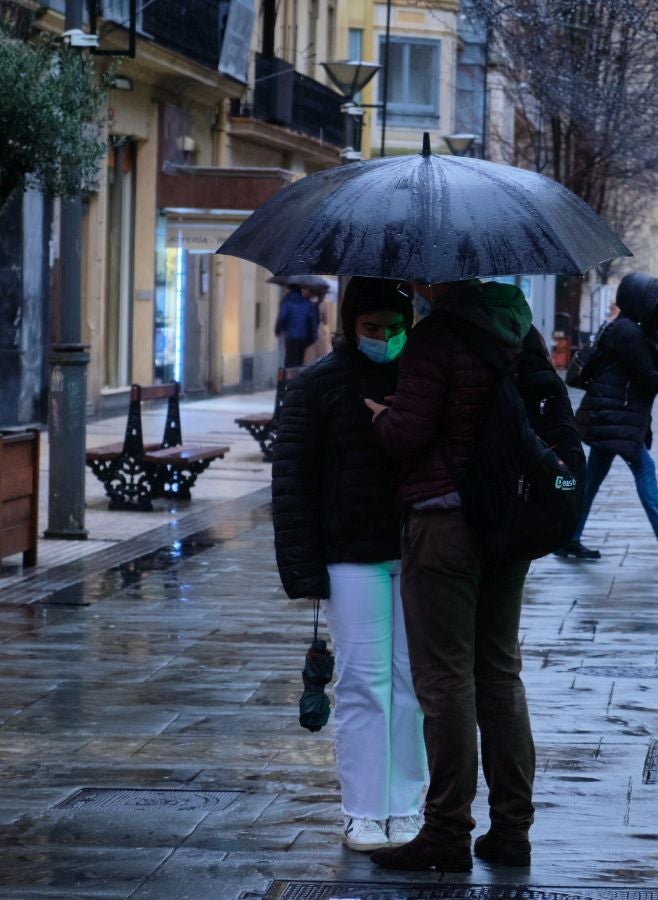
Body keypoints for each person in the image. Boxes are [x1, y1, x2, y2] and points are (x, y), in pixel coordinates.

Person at [363, 278, 541, 872]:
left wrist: (383, 417)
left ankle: (446, 831)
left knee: (445, 681)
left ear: (436, 277)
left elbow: (407, 435)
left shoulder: (433, 338)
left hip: (444, 524)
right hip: (509, 525)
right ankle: (512, 829)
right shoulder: (520, 328)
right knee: (500, 673)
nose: (410, 285)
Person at [273, 278, 426, 853]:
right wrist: (305, 570)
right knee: (363, 683)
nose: (384, 339)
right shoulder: (319, 385)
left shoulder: (423, 379)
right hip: (349, 556)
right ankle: (364, 810)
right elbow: (292, 483)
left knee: (412, 685)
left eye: (394, 328)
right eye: (372, 329)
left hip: (417, 549)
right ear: (350, 327)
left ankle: (406, 805)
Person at [559, 273, 658, 561]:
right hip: (615, 417)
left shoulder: (639, 330)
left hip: (613, 417)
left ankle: (568, 538)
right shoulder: (627, 332)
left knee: (591, 481)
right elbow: (647, 375)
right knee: (643, 470)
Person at [275, 281, 321, 368]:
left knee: (290, 360)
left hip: (291, 336)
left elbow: (282, 317)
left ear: (290, 288)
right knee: (299, 359)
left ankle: (290, 379)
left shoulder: (287, 301)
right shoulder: (307, 303)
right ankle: (297, 378)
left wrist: (278, 329)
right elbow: (313, 319)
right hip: (304, 337)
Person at [304, 282, 334, 364]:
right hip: (319, 330)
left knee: (309, 360)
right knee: (322, 359)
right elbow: (326, 321)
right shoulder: (323, 303)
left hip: (308, 331)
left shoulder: (307, 302)